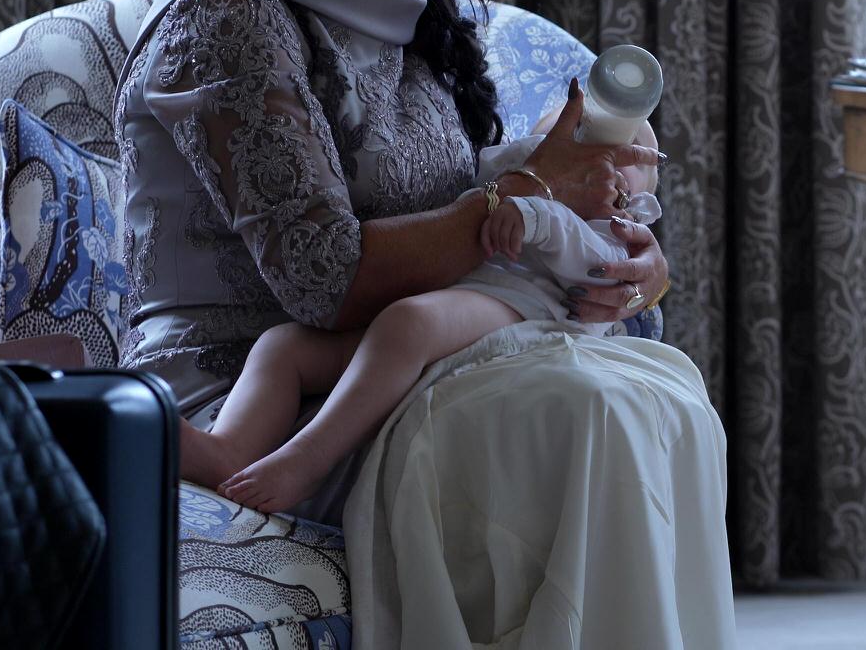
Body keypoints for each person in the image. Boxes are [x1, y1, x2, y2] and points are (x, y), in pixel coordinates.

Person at [113, 0, 734, 646]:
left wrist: (626, 262)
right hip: (276, 389)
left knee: (650, 394)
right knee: (580, 414)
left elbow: (468, 230)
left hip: (410, 353)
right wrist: (535, 191)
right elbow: (323, 279)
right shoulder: (231, 20)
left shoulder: (415, 17)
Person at [180, 114, 663, 513]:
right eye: (577, 131)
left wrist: (539, 213)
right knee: (285, 346)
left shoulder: (621, 222)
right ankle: (231, 447)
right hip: (460, 292)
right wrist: (533, 182)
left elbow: (600, 267)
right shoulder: (519, 179)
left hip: (525, 311)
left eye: (630, 149)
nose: (601, 151)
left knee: (408, 324)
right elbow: (485, 195)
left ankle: (307, 461)